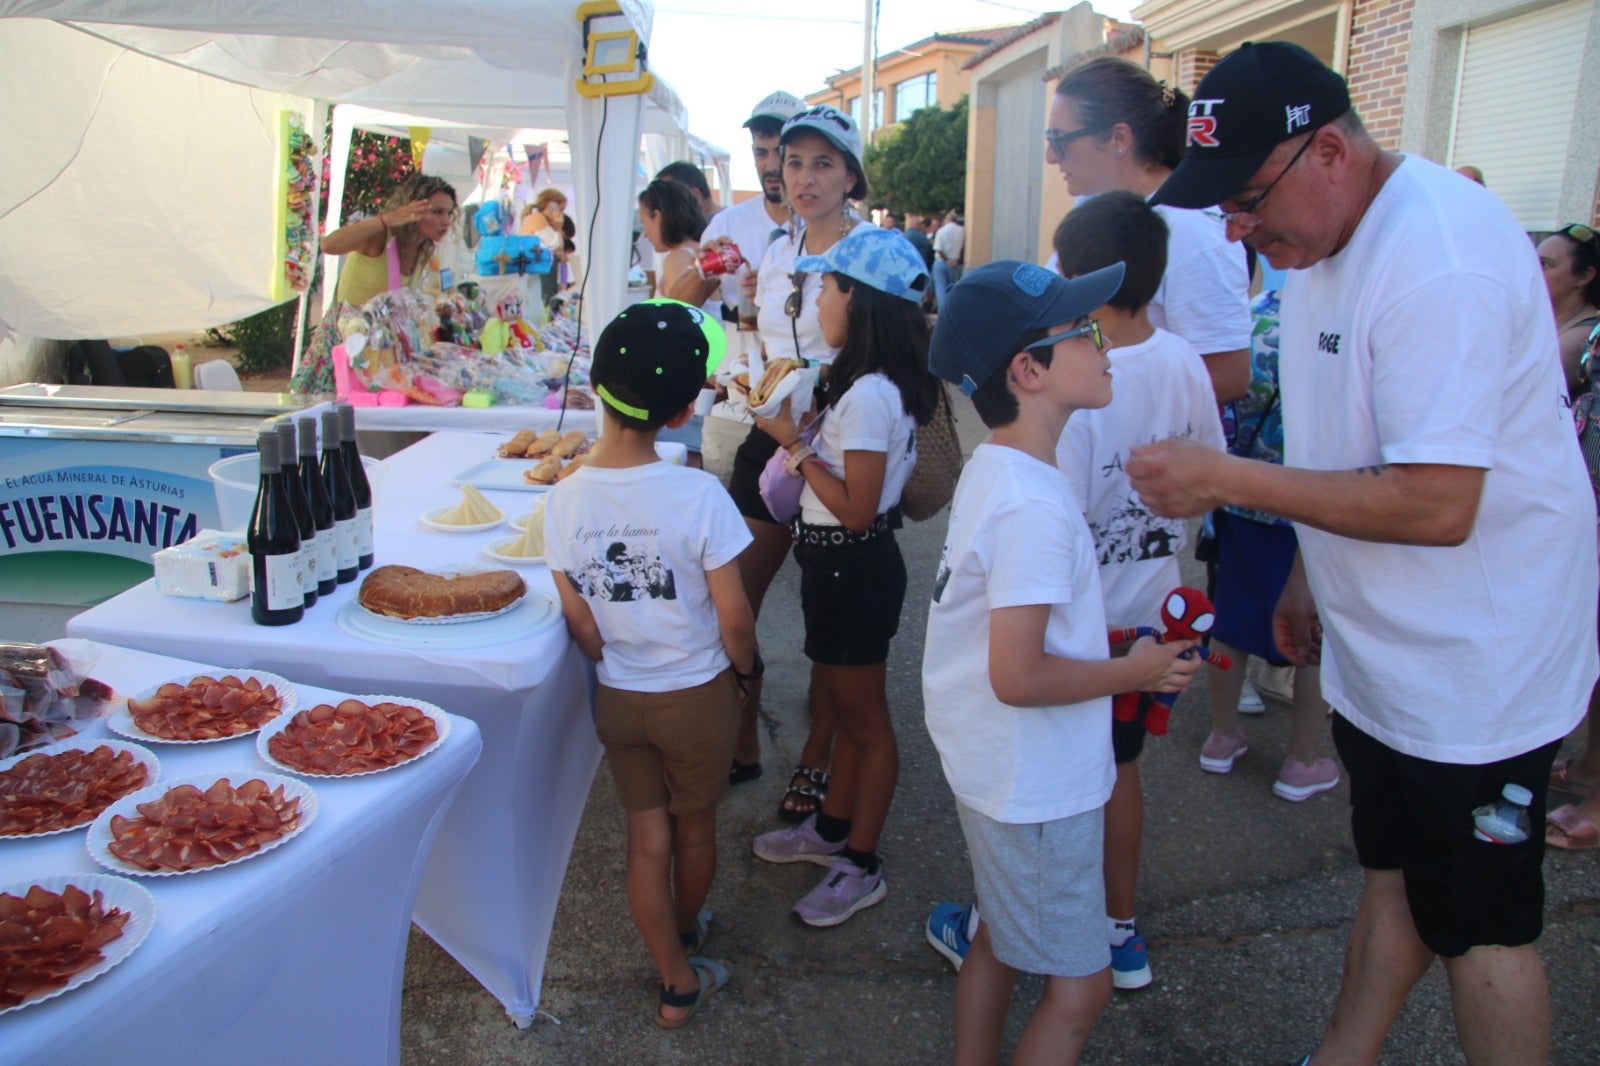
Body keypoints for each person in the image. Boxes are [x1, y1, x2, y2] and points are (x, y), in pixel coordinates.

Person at [1125, 42, 1597, 1063]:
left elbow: (1438, 505)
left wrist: (1224, 479)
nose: (1242, 230)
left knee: (1480, 924)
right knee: (1395, 869)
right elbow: (1343, 435)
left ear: (1329, 149)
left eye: (1249, 198)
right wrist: (1305, 565)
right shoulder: (1317, 243)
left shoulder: (1440, 257)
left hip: (1476, 667)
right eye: (1226, 211)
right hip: (1387, 649)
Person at [923, 192, 1225, 991]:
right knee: (1080, 989)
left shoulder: (1004, 469)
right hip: (1034, 783)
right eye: (1085, 332)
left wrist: (1123, 651)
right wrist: (1140, 669)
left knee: (994, 935)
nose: (1106, 344)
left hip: (1009, 765)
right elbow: (1018, 676)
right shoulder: (1036, 501)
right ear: (1028, 371)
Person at [544, 298, 758, 1029]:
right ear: (680, 415)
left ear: (596, 385)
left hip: (619, 697)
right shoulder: (698, 494)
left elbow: (582, 623)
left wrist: (615, 648)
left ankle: (672, 978)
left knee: (647, 840)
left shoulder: (563, 497)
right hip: (695, 694)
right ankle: (687, 936)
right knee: (695, 830)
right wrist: (747, 672)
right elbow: (734, 617)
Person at [747, 227, 941, 926]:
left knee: (867, 723)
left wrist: (793, 446)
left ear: (860, 299)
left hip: (854, 565)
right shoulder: (866, 385)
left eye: (826, 285)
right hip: (840, 568)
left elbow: (857, 509)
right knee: (848, 707)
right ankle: (830, 829)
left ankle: (861, 863)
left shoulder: (868, 396)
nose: (817, 297)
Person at [728, 103, 874, 821]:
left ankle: (817, 760)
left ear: (851, 175)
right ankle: (741, 738)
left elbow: (886, 362)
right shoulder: (780, 248)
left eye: (823, 163)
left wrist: (815, 409)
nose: (805, 177)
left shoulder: (871, 253)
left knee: (829, 624)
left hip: (840, 448)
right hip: (771, 433)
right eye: (793, 162)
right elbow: (767, 344)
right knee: (733, 596)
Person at [1198, 283, 1341, 802]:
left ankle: (1220, 736)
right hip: (1311, 499)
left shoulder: (1249, 316)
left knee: (1230, 619)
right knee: (1310, 638)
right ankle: (1300, 762)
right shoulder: (1338, 322)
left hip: (1240, 490)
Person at [1050, 57, 1252, 403]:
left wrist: (1103, 389)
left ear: (1118, 138)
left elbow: (1227, 376)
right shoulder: (1089, 206)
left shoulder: (1192, 229)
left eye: (1059, 139)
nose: (1051, 158)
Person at [699, 91, 806, 492]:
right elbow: (682, 304)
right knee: (729, 516)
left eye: (781, 153)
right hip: (738, 401)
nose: (771, 165)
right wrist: (700, 268)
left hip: (812, 403)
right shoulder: (729, 223)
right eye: (761, 153)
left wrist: (774, 288)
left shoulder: (835, 227)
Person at [290, 173, 457, 393]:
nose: (446, 221)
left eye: (449, 213)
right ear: (411, 210)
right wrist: (385, 220)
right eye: (437, 212)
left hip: (381, 353)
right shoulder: (381, 237)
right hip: (344, 349)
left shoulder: (423, 248)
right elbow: (328, 244)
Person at [637, 179, 714, 467]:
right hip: (705, 382)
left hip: (688, 385)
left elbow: (681, 311)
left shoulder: (677, 257)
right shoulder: (699, 252)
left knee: (686, 465)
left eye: (644, 221)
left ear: (658, 216)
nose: (645, 233)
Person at [1537, 223, 1600, 396]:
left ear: (1585, 276)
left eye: (1544, 264)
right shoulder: (1545, 320)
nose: (1532, 271)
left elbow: (1521, 393)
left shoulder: (1585, 336)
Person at [523, 187, 569, 307]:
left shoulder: (538, 218)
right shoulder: (537, 218)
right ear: (551, 204)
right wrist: (558, 227)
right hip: (535, 277)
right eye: (561, 209)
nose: (562, 214)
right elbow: (556, 245)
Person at [932, 209, 965, 310]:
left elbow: (938, 249)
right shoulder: (962, 230)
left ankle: (942, 310)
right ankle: (951, 309)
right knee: (951, 287)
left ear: (947, 220)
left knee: (940, 287)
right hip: (954, 262)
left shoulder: (941, 231)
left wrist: (946, 260)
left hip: (941, 261)